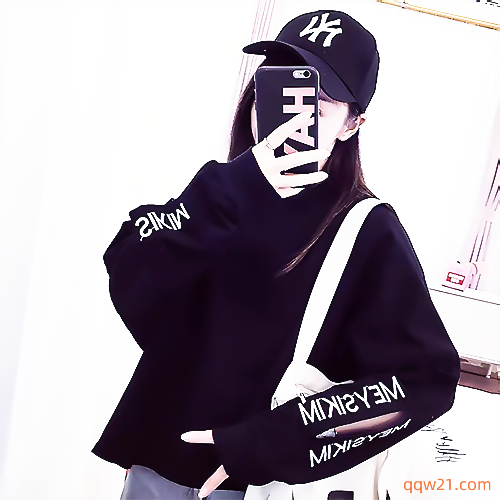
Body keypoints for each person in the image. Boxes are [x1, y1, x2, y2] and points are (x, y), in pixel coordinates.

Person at [91, 10, 460, 500]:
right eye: (278, 91)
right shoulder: (222, 195)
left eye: (318, 104)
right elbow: (129, 270)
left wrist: (269, 443)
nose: (292, 118)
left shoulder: (367, 229)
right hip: (155, 468)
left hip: (251, 487)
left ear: (352, 124)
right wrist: (234, 187)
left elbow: (426, 381)